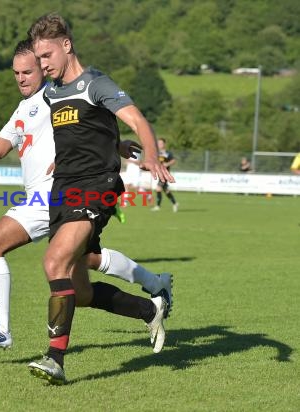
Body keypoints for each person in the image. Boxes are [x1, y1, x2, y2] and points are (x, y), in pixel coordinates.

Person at [0, 40, 172, 358]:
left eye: (27, 71)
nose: (21, 78)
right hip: (46, 198)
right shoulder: (24, 108)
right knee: (83, 287)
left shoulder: (56, 97)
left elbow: (93, 119)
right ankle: (152, 301)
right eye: (16, 73)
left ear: (42, 68)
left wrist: (115, 146)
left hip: (57, 193)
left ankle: (2, 330)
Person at [27, 13, 175, 384]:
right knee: (79, 289)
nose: (42, 64)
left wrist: (151, 156)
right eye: (38, 58)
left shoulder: (96, 83)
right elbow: (88, 131)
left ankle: (55, 360)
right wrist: (113, 143)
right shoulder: (52, 93)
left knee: (54, 261)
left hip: (96, 186)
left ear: (66, 45)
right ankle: (150, 309)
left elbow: (137, 120)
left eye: (46, 56)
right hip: (63, 190)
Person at [151, 138, 179, 212]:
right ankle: (175, 203)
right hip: (159, 174)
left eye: (161, 143)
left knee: (158, 188)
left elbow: (173, 160)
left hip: (165, 174)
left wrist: (167, 164)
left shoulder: (167, 153)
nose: (159, 144)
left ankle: (158, 206)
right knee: (166, 190)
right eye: (158, 143)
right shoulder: (156, 153)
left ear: (164, 144)